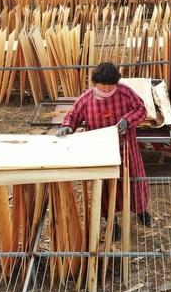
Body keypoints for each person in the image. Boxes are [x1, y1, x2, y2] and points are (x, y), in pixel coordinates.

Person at [57, 62, 152, 236]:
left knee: (134, 181)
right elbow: (73, 116)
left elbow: (141, 109)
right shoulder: (86, 99)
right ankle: (111, 222)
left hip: (126, 149)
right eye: (104, 88)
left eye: (111, 88)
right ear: (95, 83)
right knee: (106, 188)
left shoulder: (125, 93)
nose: (108, 91)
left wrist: (127, 120)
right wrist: (67, 127)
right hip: (101, 152)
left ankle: (140, 211)